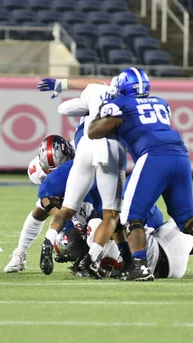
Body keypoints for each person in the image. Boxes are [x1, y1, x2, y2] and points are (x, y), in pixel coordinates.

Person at [89, 67, 193, 282]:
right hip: (180, 155)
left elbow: (94, 131)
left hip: (153, 156)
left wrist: (98, 111)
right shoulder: (160, 102)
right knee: (186, 218)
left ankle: (139, 266)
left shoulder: (120, 104)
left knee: (131, 216)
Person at [37, 78, 129, 278]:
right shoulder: (131, 101)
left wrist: (85, 107)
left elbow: (64, 109)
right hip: (111, 150)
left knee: (67, 208)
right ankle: (91, 258)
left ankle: (48, 241)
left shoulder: (97, 91)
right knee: (110, 215)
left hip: (86, 148)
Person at [4, 135, 101, 273]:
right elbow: (47, 202)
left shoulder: (82, 151)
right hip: (67, 202)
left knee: (95, 224)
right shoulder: (36, 170)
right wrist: (68, 229)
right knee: (42, 213)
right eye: (51, 172)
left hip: (89, 192)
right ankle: (20, 253)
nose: (56, 175)